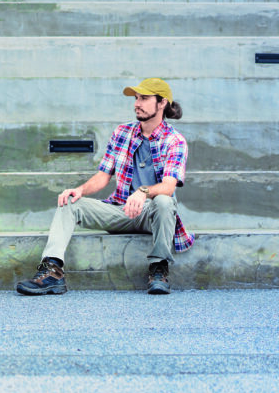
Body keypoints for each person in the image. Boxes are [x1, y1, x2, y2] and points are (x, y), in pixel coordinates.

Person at [16, 78, 192, 296]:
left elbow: (168, 186)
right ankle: (53, 272)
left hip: (151, 214)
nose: (137, 103)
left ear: (162, 103)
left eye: (144, 98)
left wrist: (143, 192)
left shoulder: (175, 141)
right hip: (119, 210)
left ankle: (158, 269)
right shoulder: (122, 132)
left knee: (164, 201)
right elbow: (103, 176)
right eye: (136, 98)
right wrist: (79, 191)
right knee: (69, 202)